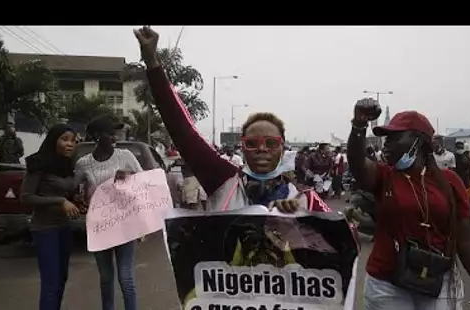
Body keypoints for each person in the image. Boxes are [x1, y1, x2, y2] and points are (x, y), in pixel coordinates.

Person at [134, 26, 331, 214]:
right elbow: (182, 131)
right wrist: (152, 62)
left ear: (283, 147)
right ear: (242, 147)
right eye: (252, 144)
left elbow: (346, 237)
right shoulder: (223, 180)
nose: (262, 149)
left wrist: (304, 220)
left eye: (271, 143)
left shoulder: (305, 199)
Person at [348, 98, 470, 310]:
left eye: (394, 137)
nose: (386, 144)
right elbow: (357, 164)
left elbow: (465, 239)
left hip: (438, 283)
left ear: (419, 141)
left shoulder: (450, 182)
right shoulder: (385, 176)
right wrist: (358, 125)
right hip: (386, 285)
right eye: (385, 138)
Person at [74, 114, 143, 310]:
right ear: (96, 135)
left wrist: (128, 177)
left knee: (125, 277)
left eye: (115, 133)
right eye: (109, 133)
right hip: (99, 225)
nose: (114, 137)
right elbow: (73, 186)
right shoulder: (83, 163)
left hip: (124, 223)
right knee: (105, 277)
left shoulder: (125, 156)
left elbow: (144, 182)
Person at [20, 124, 79, 310]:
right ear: (54, 141)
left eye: (73, 140)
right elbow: (26, 197)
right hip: (45, 229)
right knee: (51, 283)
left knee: (61, 279)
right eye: (64, 139)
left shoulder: (66, 165)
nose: (69, 144)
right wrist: (60, 201)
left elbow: (68, 189)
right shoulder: (38, 164)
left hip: (64, 227)